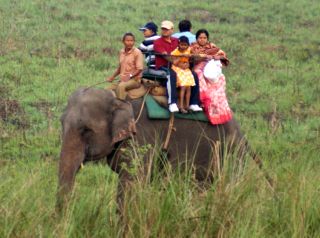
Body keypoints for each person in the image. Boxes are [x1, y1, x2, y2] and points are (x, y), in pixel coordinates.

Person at [154, 20, 202, 113]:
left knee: (194, 75)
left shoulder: (177, 41)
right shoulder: (158, 42)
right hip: (164, 65)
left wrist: (188, 63)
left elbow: (185, 52)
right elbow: (166, 56)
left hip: (180, 66)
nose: (164, 31)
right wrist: (180, 64)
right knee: (171, 75)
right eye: (163, 29)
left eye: (167, 29)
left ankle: (194, 103)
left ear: (172, 30)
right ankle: (172, 102)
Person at [190, 29, 232, 124]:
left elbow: (222, 55)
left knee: (221, 78)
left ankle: (218, 104)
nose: (202, 40)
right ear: (197, 38)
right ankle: (202, 101)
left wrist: (217, 57)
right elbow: (191, 58)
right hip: (198, 67)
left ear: (207, 38)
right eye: (200, 38)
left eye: (204, 38)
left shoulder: (212, 46)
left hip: (209, 69)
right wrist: (204, 56)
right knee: (198, 74)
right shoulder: (193, 47)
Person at [106, 33, 144, 100]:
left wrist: (129, 76)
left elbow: (139, 69)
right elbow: (120, 67)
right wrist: (112, 77)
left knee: (121, 87)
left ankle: (121, 107)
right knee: (107, 89)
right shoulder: (121, 52)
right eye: (127, 41)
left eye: (132, 41)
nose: (130, 43)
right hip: (122, 79)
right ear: (123, 41)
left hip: (134, 80)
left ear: (134, 42)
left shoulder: (137, 52)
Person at [171, 36, 198, 113]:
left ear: (188, 45)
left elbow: (194, 55)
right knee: (183, 86)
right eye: (182, 45)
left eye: (185, 45)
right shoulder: (175, 52)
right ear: (178, 44)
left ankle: (187, 106)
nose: (183, 47)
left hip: (186, 69)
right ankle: (181, 107)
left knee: (188, 87)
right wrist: (181, 56)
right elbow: (174, 63)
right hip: (177, 69)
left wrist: (190, 56)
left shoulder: (188, 50)